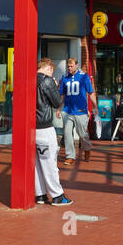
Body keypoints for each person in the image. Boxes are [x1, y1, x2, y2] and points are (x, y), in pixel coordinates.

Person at [34, 58, 72, 205]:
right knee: (49, 162)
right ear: (49, 68)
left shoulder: (30, 79)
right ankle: (57, 195)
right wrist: (55, 86)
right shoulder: (47, 80)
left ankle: (40, 194)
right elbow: (57, 102)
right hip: (45, 127)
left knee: (36, 163)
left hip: (33, 127)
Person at [59, 58, 96, 164]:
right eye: (68, 66)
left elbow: (91, 92)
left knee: (82, 134)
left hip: (81, 111)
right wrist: (58, 108)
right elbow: (62, 95)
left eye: (71, 66)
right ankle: (70, 156)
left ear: (76, 65)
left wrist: (95, 107)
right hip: (67, 111)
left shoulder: (84, 76)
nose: (69, 68)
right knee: (67, 134)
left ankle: (87, 149)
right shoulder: (65, 78)